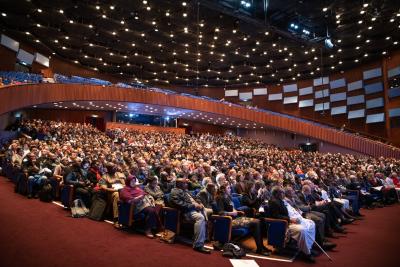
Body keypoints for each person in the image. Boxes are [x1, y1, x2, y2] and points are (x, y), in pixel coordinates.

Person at [214, 184, 271, 256]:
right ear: (223, 190)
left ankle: (261, 246)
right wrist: (232, 213)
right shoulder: (220, 198)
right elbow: (221, 213)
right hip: (229, 221)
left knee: (260, 220)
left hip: (235, 219)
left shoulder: (228, 197)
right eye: (228, 188)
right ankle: (259, 249)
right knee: (256, 222)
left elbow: (232, 208)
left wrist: (235, 211)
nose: (230, 189)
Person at [269, 186, 316, 263]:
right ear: (277, 193)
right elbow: (275, 216)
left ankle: (308, 247)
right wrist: (290, 219)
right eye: (282, 192)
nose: (283, 194)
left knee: (312, 224)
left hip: (291, 220)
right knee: (302, 230)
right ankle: (306, 253)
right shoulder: (273, 202)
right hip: (285, 224)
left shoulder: (280, 200)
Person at [169, 178, 211, 254]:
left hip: (195, 208)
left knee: (211, 212)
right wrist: (194, 206)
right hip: (187, 212)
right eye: (185, 183)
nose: (187, 184)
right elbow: (179, 204)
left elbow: (195, 198)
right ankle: (198, 245)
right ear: (179, 184)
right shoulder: (174, 192)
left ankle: (204, 236)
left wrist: (199, 202)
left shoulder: (186, 190)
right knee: (200, 217)